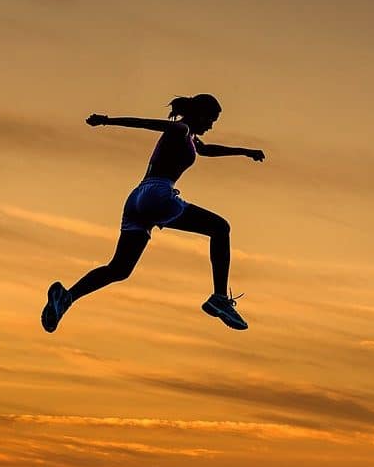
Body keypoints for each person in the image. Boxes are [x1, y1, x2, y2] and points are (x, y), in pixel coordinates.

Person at [41, 93, 265, 334]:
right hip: (158, 193)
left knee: (119, 269)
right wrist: (108, 120)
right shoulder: (181, 128)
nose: (211, 125)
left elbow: (207, 150)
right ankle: (219, 297)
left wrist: (245, 151)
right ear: (199, 114)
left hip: (137, 198)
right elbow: (147, 123)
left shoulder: (190, 137)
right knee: (220, 228)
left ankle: (67, 297)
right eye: (211, 119)